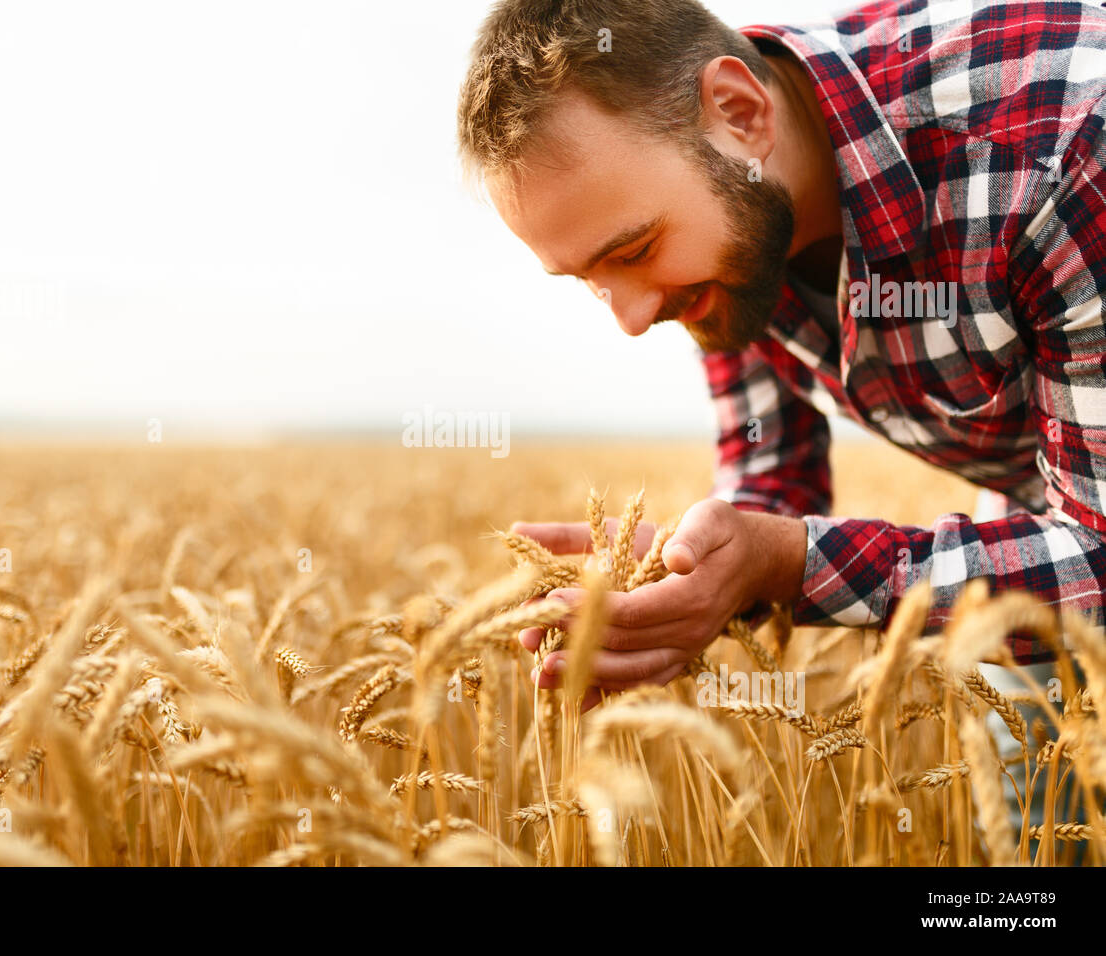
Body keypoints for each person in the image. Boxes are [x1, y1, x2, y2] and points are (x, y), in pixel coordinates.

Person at [455, 0, 1106, 724]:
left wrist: (787, 562)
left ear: (740, 113)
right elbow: (774, 479)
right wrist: (694, 563)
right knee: (1041, 815)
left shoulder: (1062, 153)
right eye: (589, 277)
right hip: (1051, 507)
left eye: (633, 252)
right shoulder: (736, 228)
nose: (632, 318)